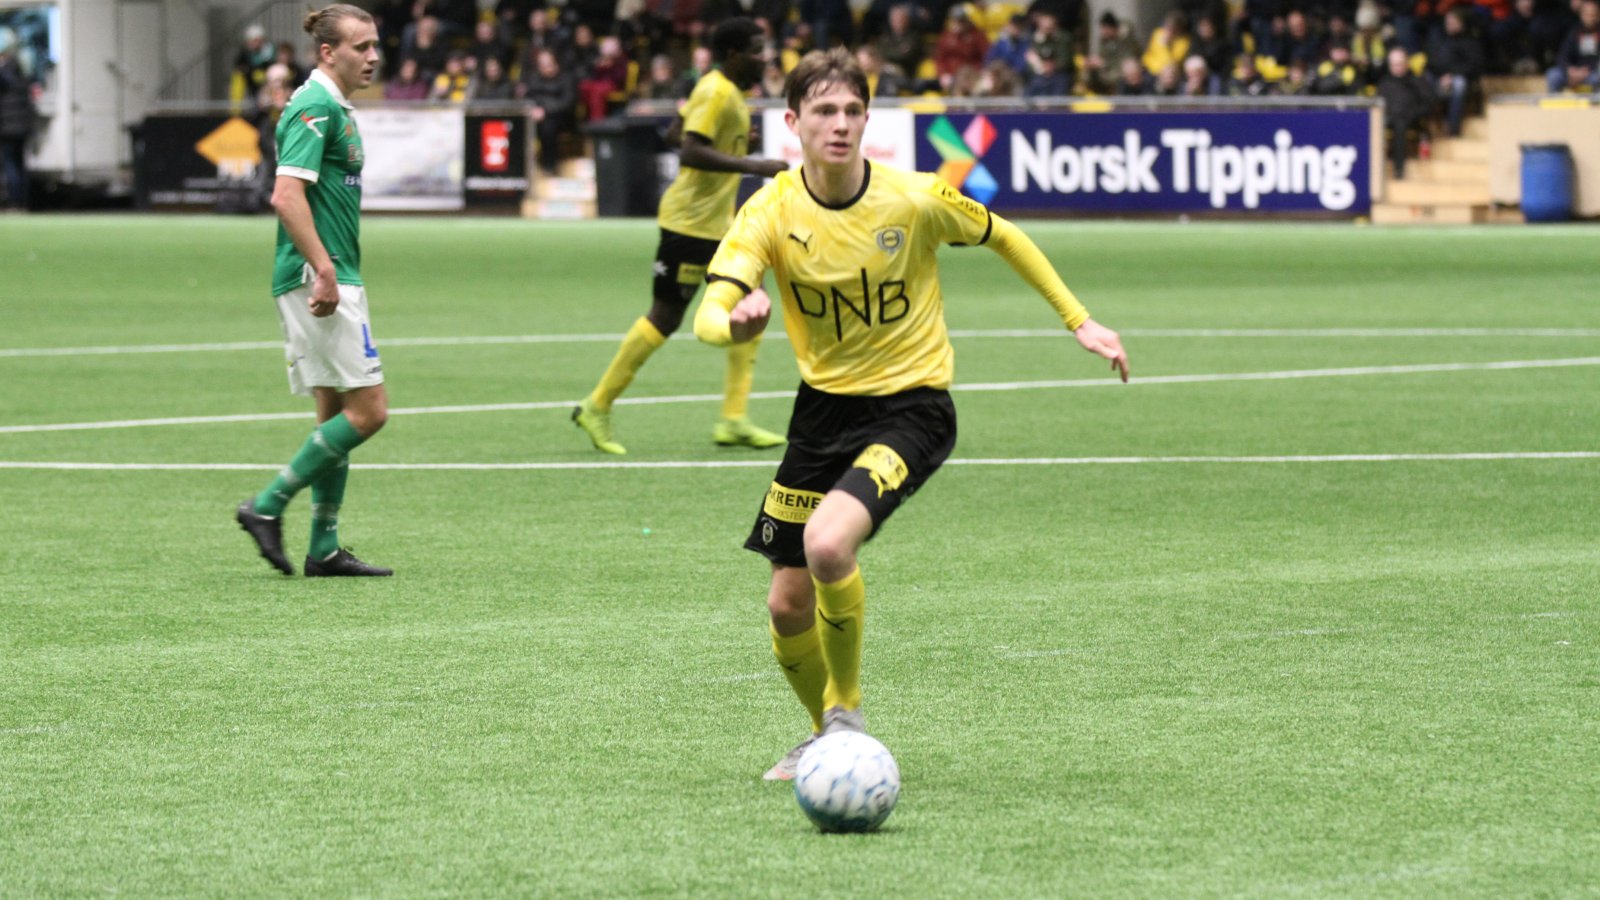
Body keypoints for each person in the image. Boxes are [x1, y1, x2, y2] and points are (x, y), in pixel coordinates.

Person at [690, 48, 1128, 781]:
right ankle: (822, 738)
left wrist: (1079, 320)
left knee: (829, 544)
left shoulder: (915, 197)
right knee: (787, 603)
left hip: (913, 407)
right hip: (822, 413)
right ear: (793, 123)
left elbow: (1004, 234)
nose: (839, 124)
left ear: (868, 118)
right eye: (824, 112)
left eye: (852, 111)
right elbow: (710, 311)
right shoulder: (769, 209)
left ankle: (846, 716)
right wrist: (733, 325)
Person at [572, 18, 791, 455]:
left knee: (754, 301)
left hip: (717, 224)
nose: (764, 58)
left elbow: (674, 132)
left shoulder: (725, 92)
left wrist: (736, 147)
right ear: (733, 55)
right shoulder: (715, 91)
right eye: (756, 50)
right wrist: (754, 165)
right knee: (666, 316)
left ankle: (733, 418)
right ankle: (596, 405)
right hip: (690, 224)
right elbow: (689, 148)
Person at [235, 4, 392, 578]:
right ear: (329, 52)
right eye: (361, 47)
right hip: (320, 277)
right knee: (370, 412)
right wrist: (324, 270)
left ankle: (323, 547)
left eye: (375, 45)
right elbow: (285, 196)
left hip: (331, 271)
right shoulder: (314, 105)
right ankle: (266, 505)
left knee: (335, 411)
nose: (373, 56)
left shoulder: (336, 107)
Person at [1377, 46, 1436, 178]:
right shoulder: (1385, 83)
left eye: (1400, 64)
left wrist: (1413, 113)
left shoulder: (1418, 81)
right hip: (1389, 118)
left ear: (1407, 63)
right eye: (1394, 64)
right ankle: (1373, 169)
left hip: (1412, 119)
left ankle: (1399, 170)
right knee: (1373, 125)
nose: (1397, 67)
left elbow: (1429, 103)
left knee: (1400, 124)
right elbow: (1378, 104)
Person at [0, 39, 35, 210]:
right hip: (23, 127)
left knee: (10, 164)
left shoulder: (3, 76)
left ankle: (14, 201)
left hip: (7, 128)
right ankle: (23, 202)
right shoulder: (23, 75)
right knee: (21, 164)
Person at [1547, 0, 1600, 90]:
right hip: (1573, 72)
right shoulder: (1574, 32)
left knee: (1597, 77)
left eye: (1593, 15)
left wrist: (1586, 70)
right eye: (1587, 14)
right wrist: (1570, 70)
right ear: (1581, 15)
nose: (1590, 18)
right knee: (1553, 75)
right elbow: (1562, 55)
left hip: (1592, 73)